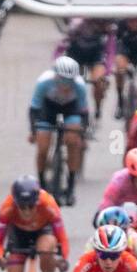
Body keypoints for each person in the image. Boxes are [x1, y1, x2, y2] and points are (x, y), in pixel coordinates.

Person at [29, 56, 89, 206]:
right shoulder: (44, 82)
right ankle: (42, 184)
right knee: (42, 148)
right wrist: (33, 131)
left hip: (71, 109)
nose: (65, 85)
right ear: (55, 74)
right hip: (47, 109)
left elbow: (84, 112)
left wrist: (83, 134)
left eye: (69, 81)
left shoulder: (80, 86)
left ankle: (70, 187)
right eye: (62, 80)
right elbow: (34, 109)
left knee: (73, 142)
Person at [57, 18, 113, 121]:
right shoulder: (76, 24)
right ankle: (71, 108)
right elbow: (63, 44)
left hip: (96, 55)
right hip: (77, 54)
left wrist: (108, 70)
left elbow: (110, 49)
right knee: (68, 82)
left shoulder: (107, 25)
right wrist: (57, 61)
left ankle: (98, 106)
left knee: (99, 81)